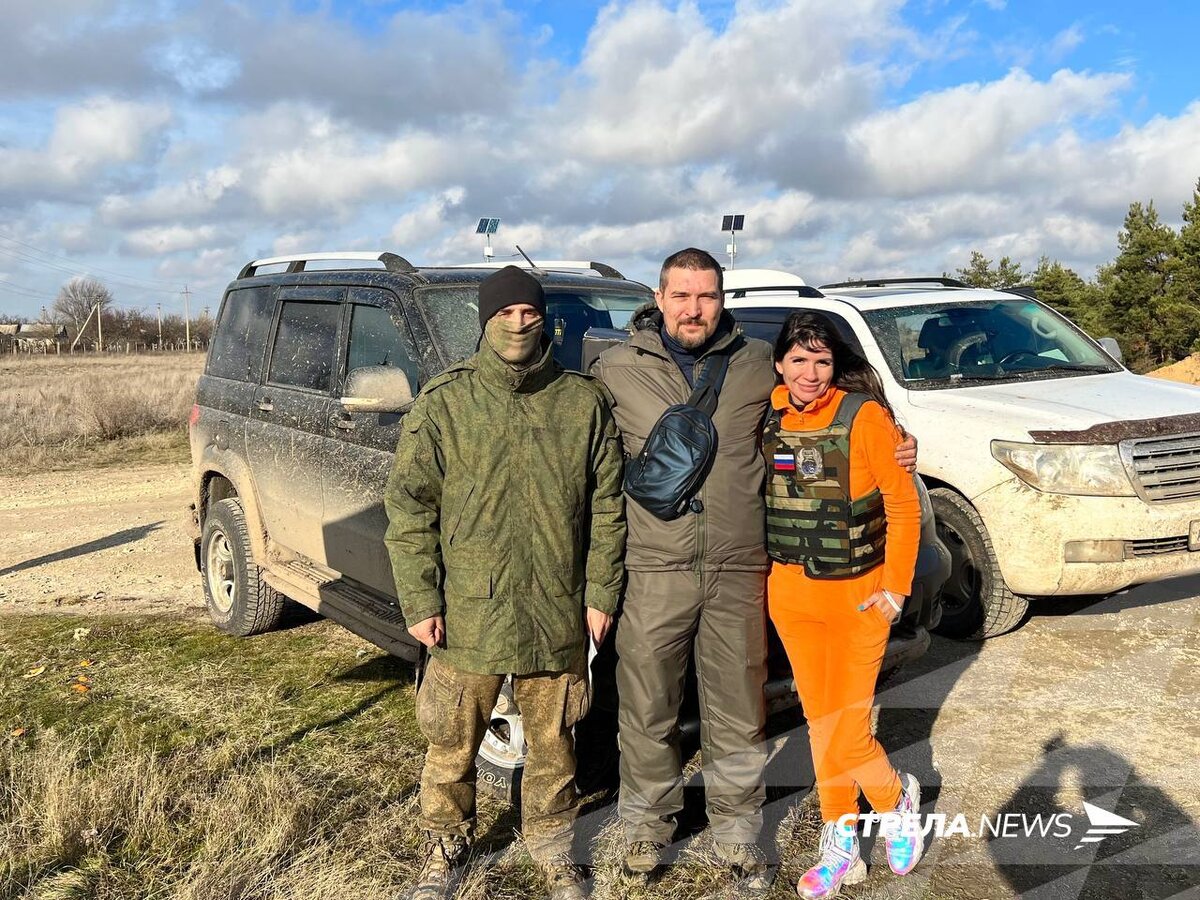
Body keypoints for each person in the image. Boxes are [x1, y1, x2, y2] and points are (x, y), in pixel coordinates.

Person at [592, 249, 916, 891]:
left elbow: (826, 415)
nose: (693, 309)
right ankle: (646, 829)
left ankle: (737, 831)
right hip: (654, 564)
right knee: (648, 704)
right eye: (681, 296)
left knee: (738, 707)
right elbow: (590, 459)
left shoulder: (752, 366)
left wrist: (900, 443)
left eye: (706, 296)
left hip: (743, 568)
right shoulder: (615, 369)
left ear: (722, 301)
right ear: (659, 298)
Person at [384, 265, 625, 900]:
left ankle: (550, 847)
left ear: (544, 319)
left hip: (556, 607)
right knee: (451, 739)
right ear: (485, 321)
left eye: (528, 313)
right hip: (469, 609)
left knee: (553, 743)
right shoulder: (446, 404)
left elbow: (607, 506)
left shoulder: (582, 403)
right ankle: (445, 844)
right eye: (504, 313)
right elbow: (409, 508)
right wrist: (421, 599)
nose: (517, 324)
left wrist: (601, 593)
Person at [763, 311, 925, 898]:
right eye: (800, 359)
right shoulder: (767, 413)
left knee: (848, 729)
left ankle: (896, 800)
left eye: (823, 361)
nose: (810, 372)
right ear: (779, 363)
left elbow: (902, 506)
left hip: (860, 596)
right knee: (819, 723)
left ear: (838, 367)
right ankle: (841, 845)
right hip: (791, 596)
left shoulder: (865, 418)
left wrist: (895, 590)